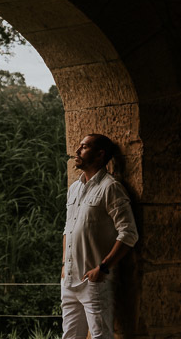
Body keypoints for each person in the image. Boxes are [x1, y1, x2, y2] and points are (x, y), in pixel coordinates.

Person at [61, 133, 138, 339]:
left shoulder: (110, 188)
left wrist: (103, 268)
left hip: (94, 282)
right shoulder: (75, 189)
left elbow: (129, 233)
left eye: (84, 147)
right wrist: (63, 266)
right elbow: (68, 229)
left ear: (99, 155)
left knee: (100, 336)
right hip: (69, 281)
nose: (77, 151)